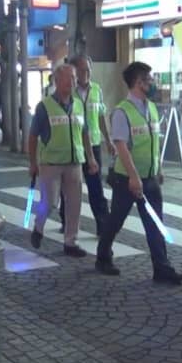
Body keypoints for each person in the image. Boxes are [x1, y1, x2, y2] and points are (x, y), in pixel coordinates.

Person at [94, 61, 182, 285]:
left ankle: (162, 268)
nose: (153, 83)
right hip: (127, 179)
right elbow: (122, 147)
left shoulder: (152, 108)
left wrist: (159, 169)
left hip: (150, 177)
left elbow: (154, 141)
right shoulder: (122, 112)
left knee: (155, 222)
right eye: (149, 79)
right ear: (138, 82)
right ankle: (103, 256)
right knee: (116, 220)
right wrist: (134, 177)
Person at [28, 64, 99, 258]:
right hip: (50, 163)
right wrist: (33, 163)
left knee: (74, 204)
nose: (72, 82)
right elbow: (33, 136)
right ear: (57, 81)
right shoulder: (44, 107)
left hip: (75, 162)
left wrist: (91, 158)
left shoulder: (78, 105)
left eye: (74, 78)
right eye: (68, 78)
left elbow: (84, 134)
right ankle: (39, 226)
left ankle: (70, 242)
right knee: (49, 203)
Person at [59, 55, 112, 235]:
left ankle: (103, 226)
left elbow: (101, 115)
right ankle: (67, 224)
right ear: (74, 71)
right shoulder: (67, 92)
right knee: (69, 188)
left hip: (94, 146)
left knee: (96, 187)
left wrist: (109, 140)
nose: (86, 73)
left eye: (88, 69)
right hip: (72, 146)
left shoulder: (96, 89)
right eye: (82, 69)